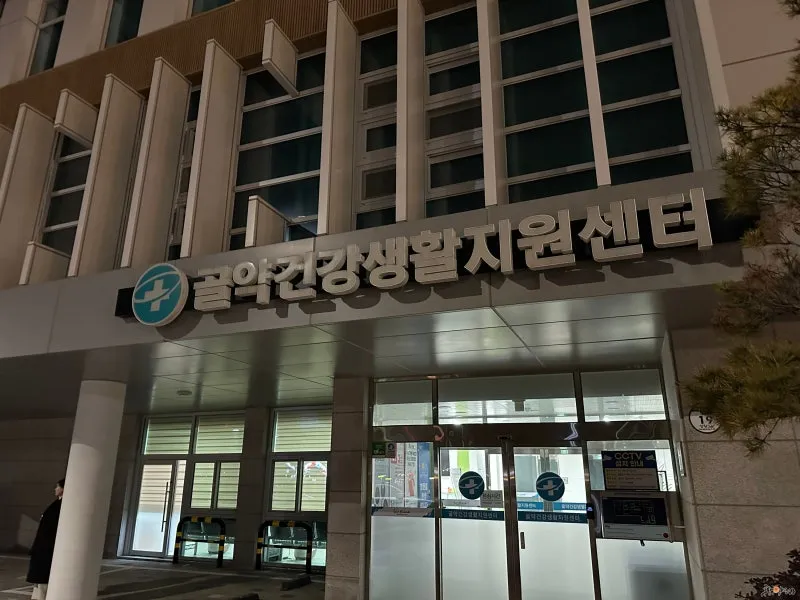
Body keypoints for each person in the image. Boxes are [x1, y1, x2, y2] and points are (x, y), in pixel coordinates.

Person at [27, 479, 64, 600]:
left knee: (42, 577)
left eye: (58, 487)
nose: (55, 489)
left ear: (63, 489)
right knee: (39, 579)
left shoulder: (61, 505)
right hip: (43, 545)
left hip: (47, 546)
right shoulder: (56, 504)